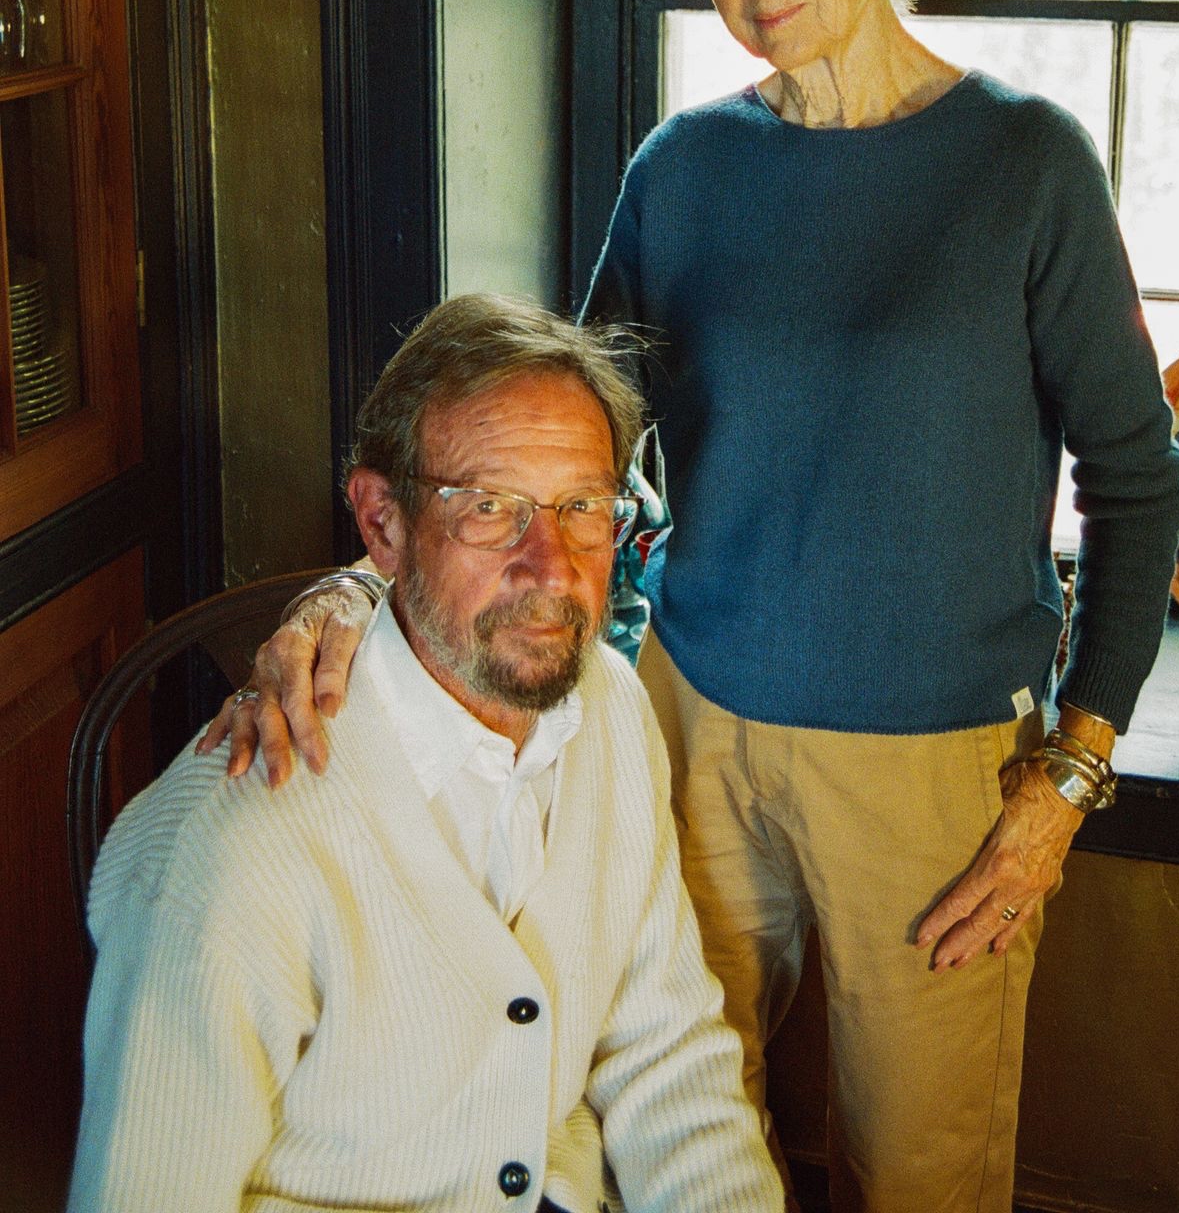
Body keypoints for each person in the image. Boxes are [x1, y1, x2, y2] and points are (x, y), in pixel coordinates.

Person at [210, 0, 1179, 1213]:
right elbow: (549, 433)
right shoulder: (686, 172)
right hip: (684, 733)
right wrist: (357, 587)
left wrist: (1067, 777)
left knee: (915, 1179)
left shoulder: (1024, 166)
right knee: (658, 1126)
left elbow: (1137, 485)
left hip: (929, 773)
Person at [71, 294, 783, 1213]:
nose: (553, 565)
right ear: (382, 525)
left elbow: (667, 1053)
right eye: (489, 508)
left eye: (581, 506)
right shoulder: (232, 851)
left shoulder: (606, 705)